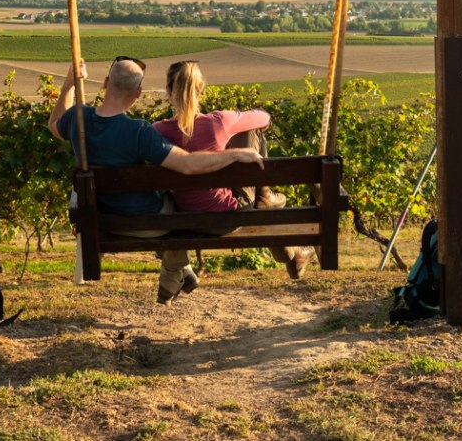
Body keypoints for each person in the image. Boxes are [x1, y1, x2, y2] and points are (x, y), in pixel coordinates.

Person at [48, 56, 264, 304]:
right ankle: (175, 271)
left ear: (106, 83)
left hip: (106, 219)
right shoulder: (140, 132)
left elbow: (54, 124)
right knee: (179, 207)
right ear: (138, 93)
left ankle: (182, 272)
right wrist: (236, 153)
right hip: (149, 222)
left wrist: (69, 85)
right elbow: (188, 165)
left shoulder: (78, 118)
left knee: (176, 204)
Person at [153, 60, 316, 279]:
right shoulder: (219, 122)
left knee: (238, 142)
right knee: (251, 131)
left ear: (168, 91)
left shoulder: (157, 131)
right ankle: (264, 196)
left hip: (184, 216)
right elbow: (264, 118)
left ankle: (266, 201)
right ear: (201, 90)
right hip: (227, 217)